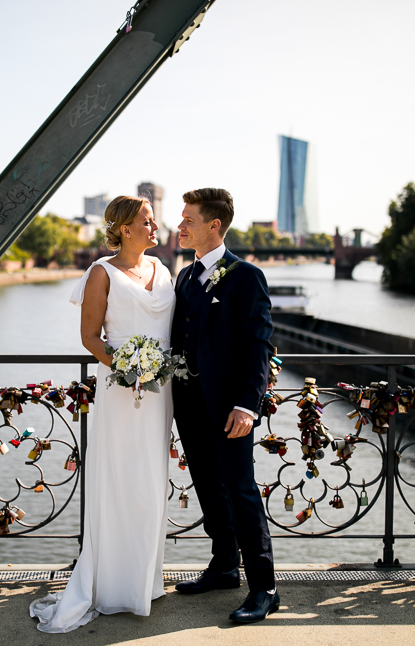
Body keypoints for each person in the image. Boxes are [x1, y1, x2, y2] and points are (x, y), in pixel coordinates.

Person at [30, 196, 175, 633]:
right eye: (147, 221)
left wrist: (156, 370)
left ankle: (142, 582)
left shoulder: (164, 271)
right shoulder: (101, 272)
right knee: (118, 479)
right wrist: (130, 368)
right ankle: (110, 585)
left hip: (159, 394)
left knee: (150, 482)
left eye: (154, 220)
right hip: (121, 391)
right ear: (125, 229)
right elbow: (90, 336)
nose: (156, 227)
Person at [170, 188, 278, 623]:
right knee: (208, 487)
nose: (180, 226)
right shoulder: (184, 275)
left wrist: (248, 405)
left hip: (231, 407)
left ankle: (265, 588)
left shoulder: (246, 276)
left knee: (242, 492)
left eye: (188, 219)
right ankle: (224, 567)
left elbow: (259, 346)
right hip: (189, 402)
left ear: (214, 225)